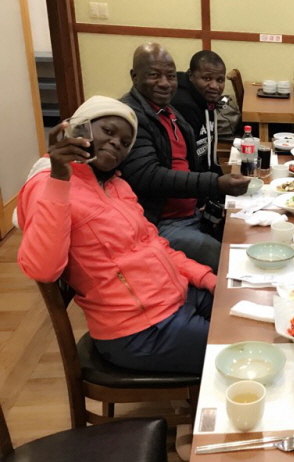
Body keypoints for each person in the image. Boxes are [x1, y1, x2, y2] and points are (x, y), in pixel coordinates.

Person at [16, 96, 216, 376]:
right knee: (244, 348)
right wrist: (60, 179)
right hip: (140, 329)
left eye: (125, 142)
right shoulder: (48, 185)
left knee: (250, 314)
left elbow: (155, 244)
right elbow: (43, 269)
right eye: (108, 131)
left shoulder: (116, 185)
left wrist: (206, 278)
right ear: (80, 128)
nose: (116, 144)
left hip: (177, 297)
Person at [119, 43, 251, 272]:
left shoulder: (169, 111)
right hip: (160, 223)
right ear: (134, 76)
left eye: (170, 76)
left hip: (193, 212)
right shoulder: (130, 117)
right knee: (234, 263)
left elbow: (193, 162)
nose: (164, 83)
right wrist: (215, 184)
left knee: (247, 235)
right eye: (154, 75)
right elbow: (148, 176)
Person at [171, 50, 227, 174]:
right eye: (207, 78)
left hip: (204, 175)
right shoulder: (183, 106)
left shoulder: (207, 99)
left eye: (220, 80)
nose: (214, 86)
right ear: (191, 76)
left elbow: (208, 151)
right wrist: (215, 183)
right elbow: (184, 163)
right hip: (189, 179)